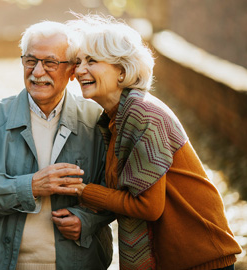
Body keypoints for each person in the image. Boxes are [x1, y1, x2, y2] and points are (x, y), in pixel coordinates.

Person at [66, 14, 242, 269]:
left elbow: (147, 206)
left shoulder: (142, 115)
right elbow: (122, 192)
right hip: (175, 257)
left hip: (200, 256)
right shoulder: (114, 119)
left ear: (122, 71)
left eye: (91, 61)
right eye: (79, 61)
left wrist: (84, 192)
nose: (79, 70)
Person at [0, 20, 114, 269]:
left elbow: (115, 189)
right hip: (4, 262)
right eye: (30, 61)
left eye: (50, 63)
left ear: (72, 70)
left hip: (79, 261)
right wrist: (30, 186)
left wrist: (87, 221)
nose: (38, 72)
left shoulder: (97, 121)